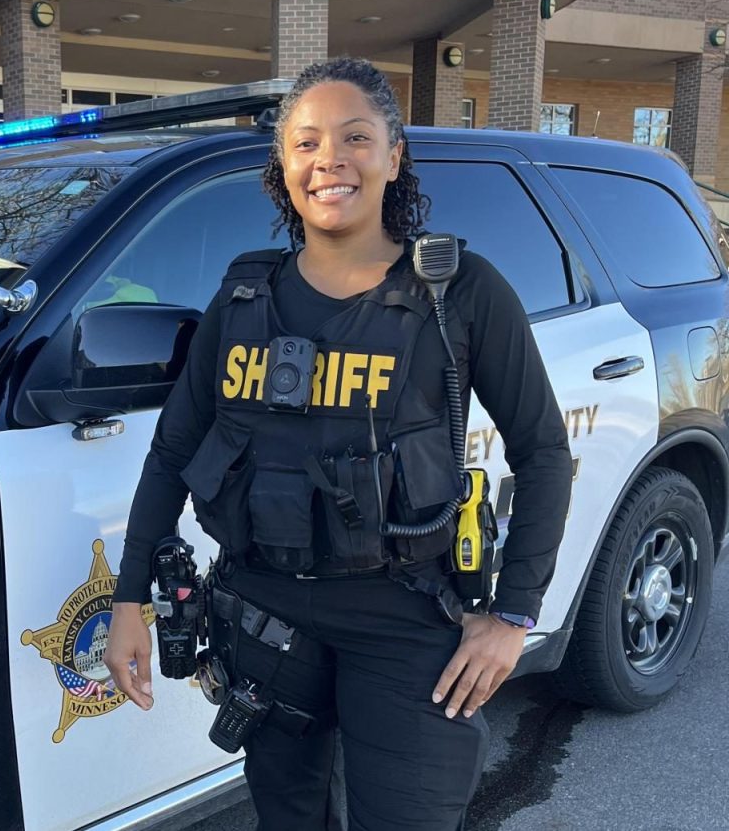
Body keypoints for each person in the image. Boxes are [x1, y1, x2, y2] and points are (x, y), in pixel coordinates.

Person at [105, 57, 573, 831]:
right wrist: (131, 599)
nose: (330, 159)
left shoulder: (460, 291)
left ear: (394, 156)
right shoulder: (243, 295)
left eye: (356, 137)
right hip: (263, 611)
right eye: (306, 142)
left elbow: (544, 453)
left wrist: (514, 615)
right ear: (283, 166)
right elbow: (172, 452)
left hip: (405, 618)